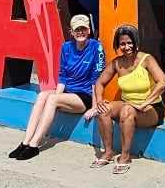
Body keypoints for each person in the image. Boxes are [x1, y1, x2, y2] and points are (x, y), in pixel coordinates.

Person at [9, 15, 104, 159]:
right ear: (71, 32)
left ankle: (35, 145)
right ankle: (25, 142)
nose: (80, 32)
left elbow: (96, 80)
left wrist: (94, 107)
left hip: (84, 96)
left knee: (52, 100)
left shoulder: (96, 47)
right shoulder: (66, 47)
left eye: (83, 29)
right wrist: (58, 95)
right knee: (42, 96)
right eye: (77, 29)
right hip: (67, 93)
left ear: (89, 30)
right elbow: (63, 76)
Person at [87, 24, 165, 172]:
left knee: (127, 111)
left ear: (136, 42)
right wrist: (99, 101)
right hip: (128, 105)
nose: (126, 47)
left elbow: (163, 82)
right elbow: (99, 82)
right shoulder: (117, 63)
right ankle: (108, 152)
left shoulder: (147, 59)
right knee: (104, 110)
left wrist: (145, 102)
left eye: (129, 42)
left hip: (151, 108)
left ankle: (125, 156)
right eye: (122, 44)